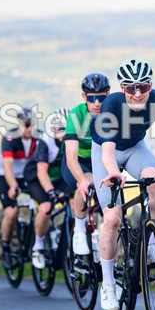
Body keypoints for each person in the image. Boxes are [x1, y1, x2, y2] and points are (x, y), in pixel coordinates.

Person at [91, 59, 155, 310]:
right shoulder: (112, 104)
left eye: (143, 87)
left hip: (136, 148)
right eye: (130, 88)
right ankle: (108, 284)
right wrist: (114, 173)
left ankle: (150, 241)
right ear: (122, 88)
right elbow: (107, 154)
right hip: (107, 152)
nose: (137, 93)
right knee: (113, 219)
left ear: (151, 85)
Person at [62, 72, 110, 257]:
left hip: (101, 161)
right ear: (84, 97)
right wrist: (81, 179)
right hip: (77, 162)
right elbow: (71, 156)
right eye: (92, 98)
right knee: (88, 182)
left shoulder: (112, 113)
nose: (97, 103)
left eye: (101, 98)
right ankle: (79, 230)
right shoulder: (76, 115)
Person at [24, 108, 73, 269]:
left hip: (60, 178)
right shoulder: (45, 141)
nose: (65, 133)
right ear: (53, 129)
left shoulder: (73, 141)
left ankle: (67, 238)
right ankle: (38, 247)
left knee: (74, 204)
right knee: (45, 208)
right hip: (37, 178)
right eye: (62, 129)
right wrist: (51, 192)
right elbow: (41, 171)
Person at [0, 107, 39, 268]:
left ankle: (32, 244)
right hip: (6, 175)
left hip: (26, 176)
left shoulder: (39, 138)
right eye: (26, 125)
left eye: (32, 124)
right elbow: (7, 165)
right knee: (11, 211)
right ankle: (5, 247)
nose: (29, 128)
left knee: (39, 207)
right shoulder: (9, 138)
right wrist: (13, 186)